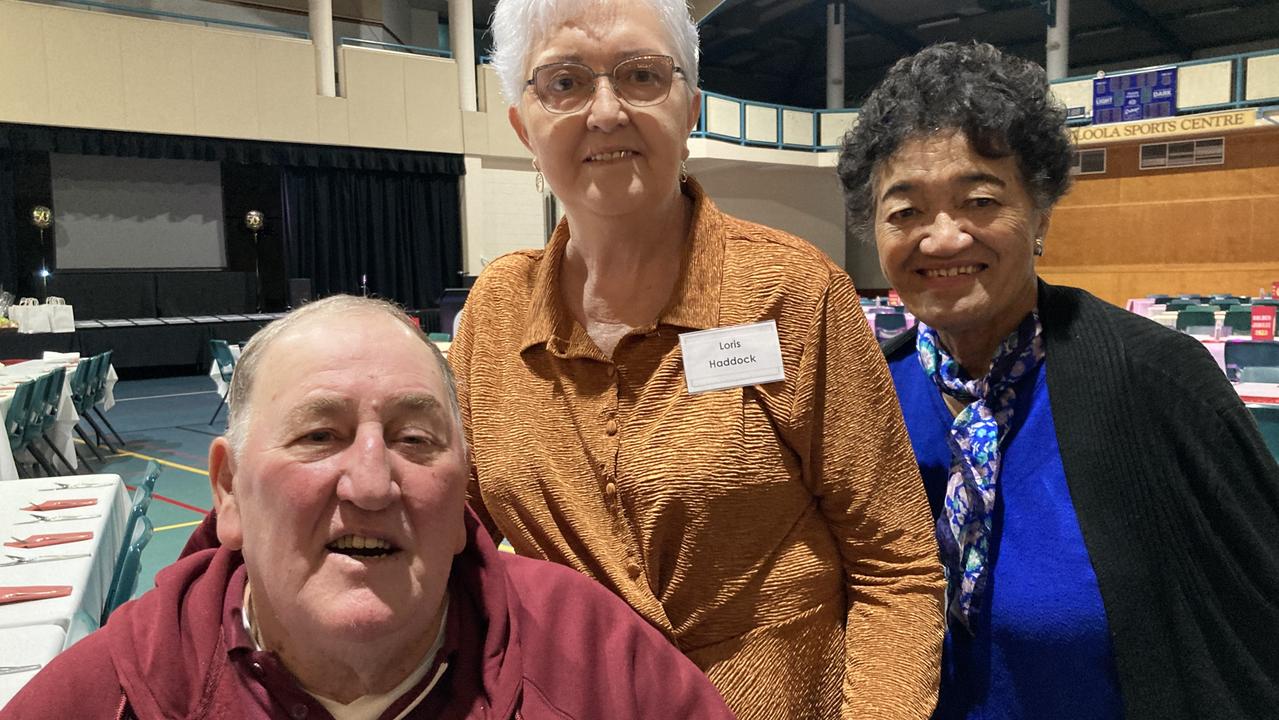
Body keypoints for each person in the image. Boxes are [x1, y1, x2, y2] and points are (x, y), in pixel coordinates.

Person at [448, 1, 945, 718]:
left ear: (691, 110)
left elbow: (893, 564)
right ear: (523, 126)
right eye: (563, 83)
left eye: (641, 74)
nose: (606, 111)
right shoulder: (496, 308)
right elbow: (449, 541)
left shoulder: (792, 292)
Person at [5, 296, 736, 720]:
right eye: (319, 435)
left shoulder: (599, 664)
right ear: (226, 491)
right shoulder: (111, 696)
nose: (370, 483)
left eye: (414, 439)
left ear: (462, 495)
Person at [838, 41, 1279, 720]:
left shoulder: (1157, 381)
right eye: (905, 212)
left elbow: (1254, 622)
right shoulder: (863, 400)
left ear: (1040, 211)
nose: (943, 237)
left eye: (979, 200)